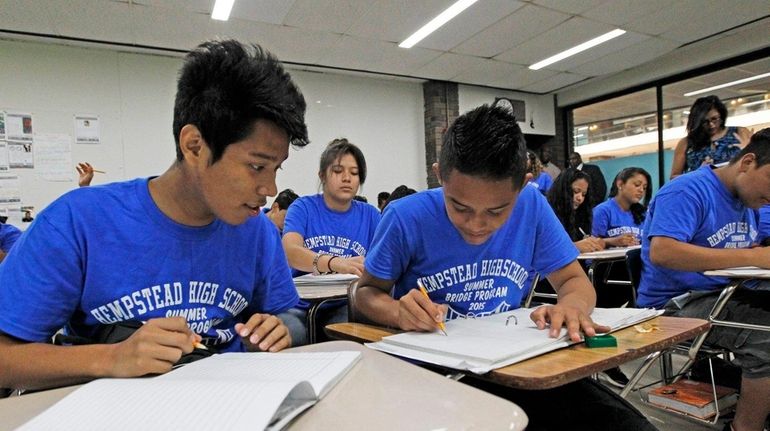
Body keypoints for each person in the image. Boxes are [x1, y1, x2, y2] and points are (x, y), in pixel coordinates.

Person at [0, 39, 309, 391]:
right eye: (257, 166)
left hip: (228, 402)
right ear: (194, 146)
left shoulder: (257, 231)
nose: (269, 188)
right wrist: (113, 358)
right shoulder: (78, 221)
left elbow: (293, 316)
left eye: (276, 169)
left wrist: (279, 331)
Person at [356, 104, 655, 431]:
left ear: (523, 184)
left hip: (513, 366)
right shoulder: (405, 217)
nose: (477, 225)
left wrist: (570, 307)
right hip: (432, 373)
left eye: (498, 210)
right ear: (439, 174)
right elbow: (365, 293)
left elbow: (573, 281)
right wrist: (398, 311)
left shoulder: (532, 205)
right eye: (459, 207)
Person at [637, 128, 770, 431]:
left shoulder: (750, 202)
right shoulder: (687, 190)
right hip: (670, 307)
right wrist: (752, 258)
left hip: (721, 296)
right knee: (766, 334)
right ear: (748, 162)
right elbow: (663, 252)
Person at [280, 138, 380, 346]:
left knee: (349, 336)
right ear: (322, 175)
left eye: (354, 173)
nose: (347, 178)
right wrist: (336, 263)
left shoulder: (370, 215)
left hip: (344, 303)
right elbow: (290, 251)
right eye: (337, 171)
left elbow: (382, 260)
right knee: (291, 334)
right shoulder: (303, 208)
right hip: (298, 305)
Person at [670, 95, 752, 179]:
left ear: (721, 116)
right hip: (702, 189)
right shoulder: (686, 143)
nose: (711, 125)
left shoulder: (740, 132)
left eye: (714, 119)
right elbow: (674, 177)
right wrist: (697, 173)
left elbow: (756, 162)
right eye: (705, 122)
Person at [547, 168, 604, 253]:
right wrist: (575, 246)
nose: (580, 198)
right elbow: (544, 250)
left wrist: (593, 243)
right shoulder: (548, 212)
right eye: (576, 191)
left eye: (584, 194)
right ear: (563, 189)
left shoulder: (581, 214)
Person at [592, 167, 652, 247]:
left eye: (644, 188)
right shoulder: (602, 211)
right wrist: (613, 241)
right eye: (637, 185)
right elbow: (592, 244)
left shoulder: (643, 213)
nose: (641, 190)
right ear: (620, 184)